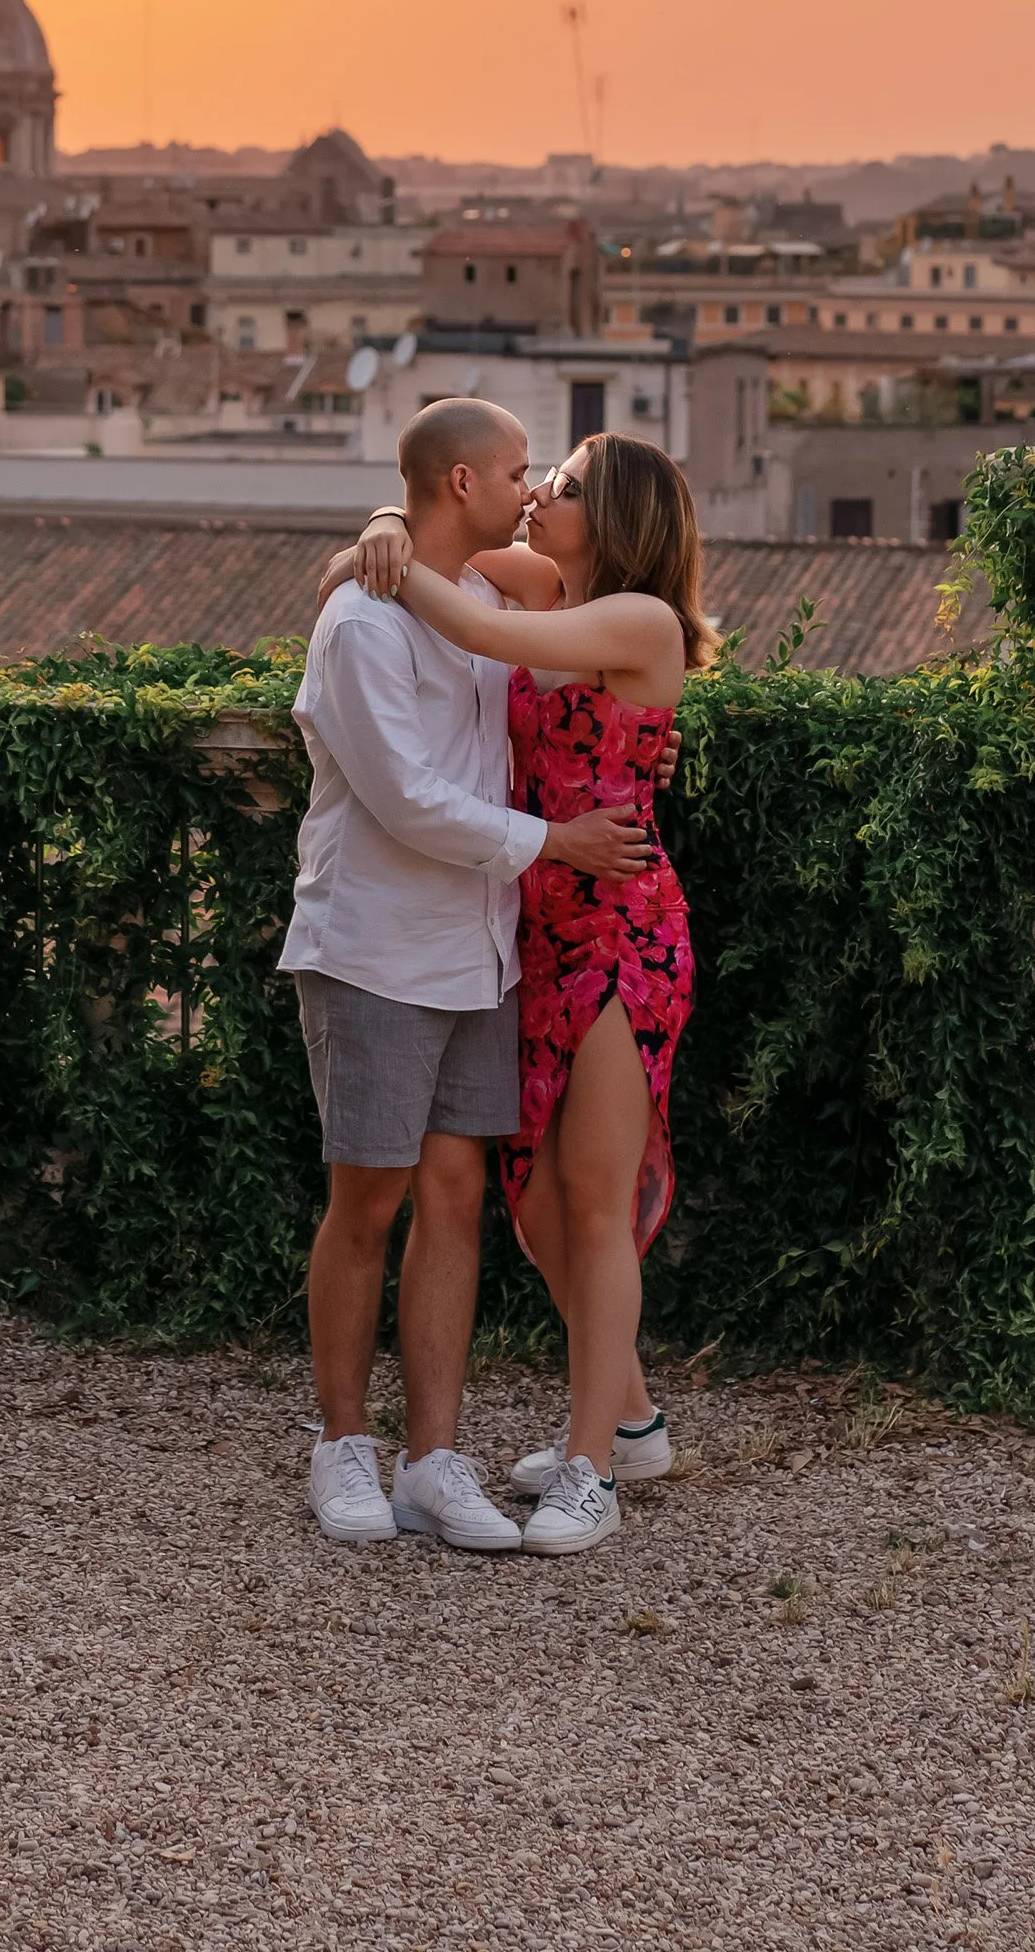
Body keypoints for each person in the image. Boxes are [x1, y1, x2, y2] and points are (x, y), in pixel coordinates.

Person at [282, 397, 654, 1552]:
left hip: (479, 954)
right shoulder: (361, 625)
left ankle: (434, 1462)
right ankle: (342, 1447)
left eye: (547, 475)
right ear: (462, 487)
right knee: (367, 1204)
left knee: (453, 1204)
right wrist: (558, 844)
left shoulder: (490, 600)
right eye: (516, 471)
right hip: (379, 947)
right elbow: (403, 803)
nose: (530, 487)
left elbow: (552, 698)